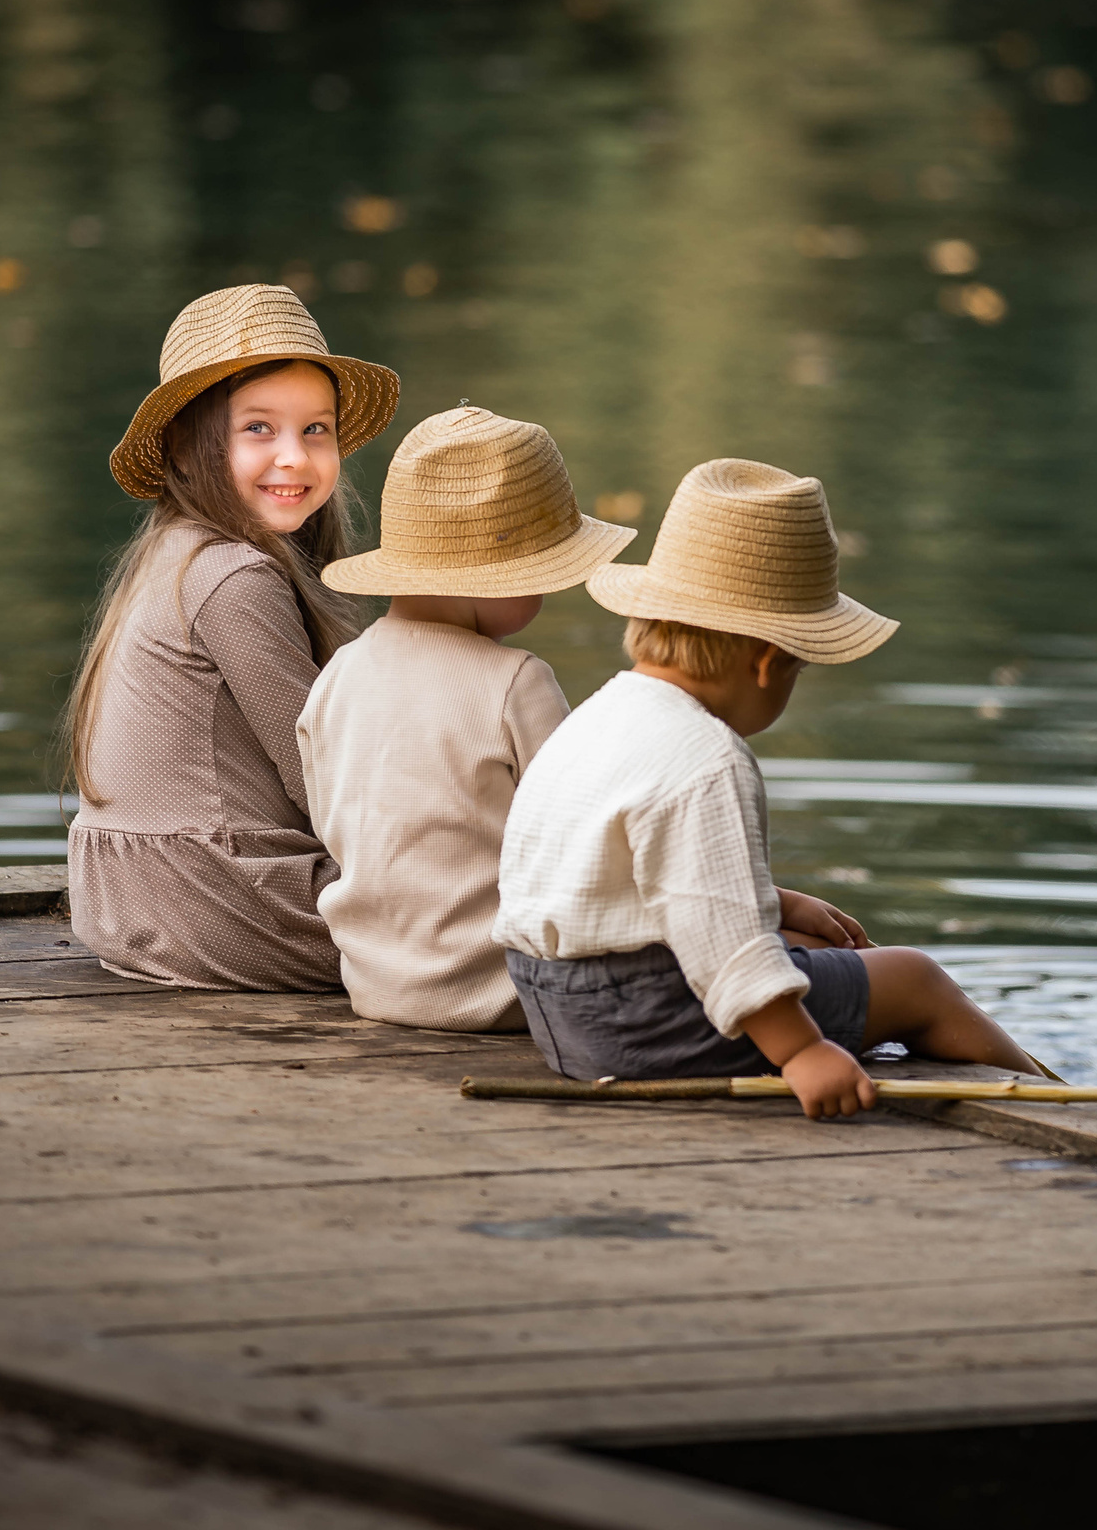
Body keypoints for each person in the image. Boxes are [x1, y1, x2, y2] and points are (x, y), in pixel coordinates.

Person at [493, 458, 1047, 1119]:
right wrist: (802, 1052)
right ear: (766, 662)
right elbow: (731, 950)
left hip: (556, 1013)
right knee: (917, 980)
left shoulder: (596, 719)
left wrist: (776, 901)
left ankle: (1050, 1087)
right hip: (645, 1028)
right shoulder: (707, 755)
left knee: (819, 953)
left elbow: (604, 877)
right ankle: (1070, 1104)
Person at [62, 284, 399, 990]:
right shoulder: (233, 575)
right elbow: (323, 780)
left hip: (137, 903)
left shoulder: (177, 551)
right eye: (259, 429)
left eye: (316, 429)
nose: (296, 458)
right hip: (209, 900)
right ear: (188, 446)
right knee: (465, 909)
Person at [294, 405, 634, 1030]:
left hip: (375, 985)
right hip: (508, 991)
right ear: (494, 578)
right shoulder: (515, 681)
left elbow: (335, 824)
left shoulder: (338, 674)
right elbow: (590, 842)